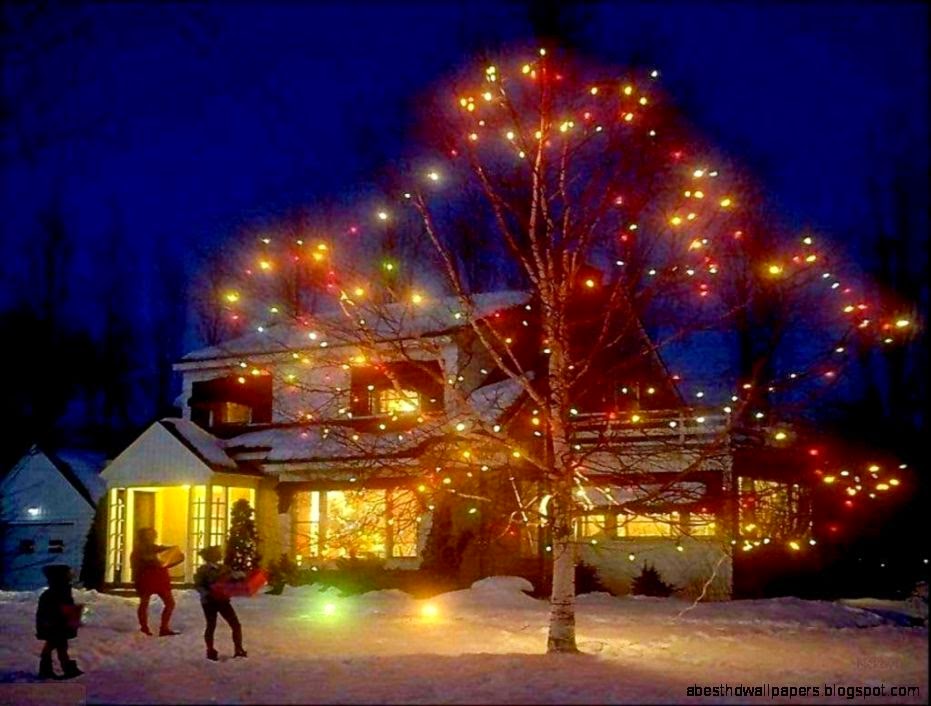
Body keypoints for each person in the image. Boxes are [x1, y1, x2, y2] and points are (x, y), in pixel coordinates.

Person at [194, 545, 247, 661]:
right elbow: (198, 585)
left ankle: (235, 649)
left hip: (220, 600)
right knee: (214, 625)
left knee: (232, 624)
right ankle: (213, 650)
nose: (220, 555)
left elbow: (233, 576)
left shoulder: (223, 568)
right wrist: (208, 593)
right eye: (217, 553)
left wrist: (240, 576)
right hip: (211, 601)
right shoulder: (204, 570)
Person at [36, 564, 83, 679]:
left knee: (59, 645)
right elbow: (53, 610)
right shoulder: (57, 592)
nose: (70, 576)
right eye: (68, 574)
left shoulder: (59, 591)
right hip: (56, 625)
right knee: (56, 645)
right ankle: (52, 668)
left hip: (57, 624)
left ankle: (57, 668)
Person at [130, 527, 178, 636]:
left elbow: (163, 551)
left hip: (159, 579)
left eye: (153, 534)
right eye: (149, 534)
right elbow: (140, 562)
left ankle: (163, 628)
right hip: (146, 578)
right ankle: (144, 627)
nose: (152, 536)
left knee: (169, 603)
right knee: (144, 602)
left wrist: (172, 550)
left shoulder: (154, 548)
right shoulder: (139, 549)